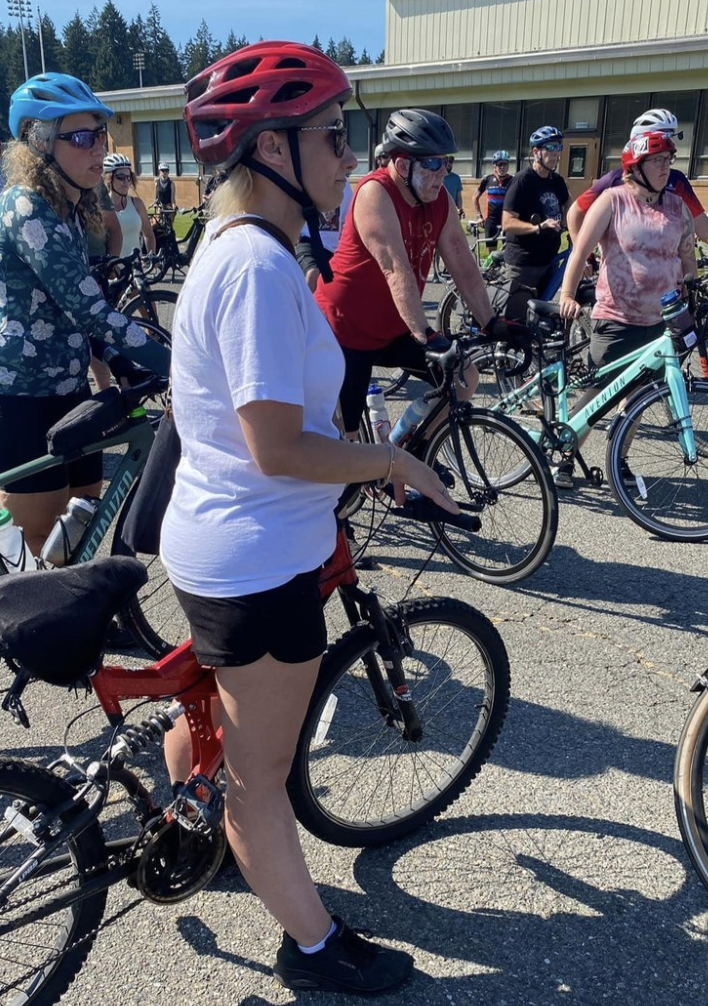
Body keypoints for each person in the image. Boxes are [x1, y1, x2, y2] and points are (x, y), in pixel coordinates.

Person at [160, 41, 457, 994]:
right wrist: (391, 458)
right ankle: (314, 946)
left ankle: (183, 819)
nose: (347, 155)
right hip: (256, 554)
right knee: (263, 776)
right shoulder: (254, 265)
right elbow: (278, 448)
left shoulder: (249, 248)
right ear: (272, 148)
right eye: (333, 136)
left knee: (213, 711)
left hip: (234, 541)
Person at [0, 72, 169, 557]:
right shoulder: (26, 207)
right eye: (82, 137)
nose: (98, 148)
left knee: (83, 516)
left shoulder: (66, 209)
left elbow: (81, 317)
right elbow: (89, 309)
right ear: (40, 142)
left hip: (70, 388)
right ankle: (40, 628)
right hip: (25, 395)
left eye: (101, 135)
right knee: (38, 535)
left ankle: (79, 618)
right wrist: (173, 362)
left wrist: (123, 361)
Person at [315, 107, 514, 437]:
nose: (442, 173)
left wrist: (490, 321)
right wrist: (428, 334)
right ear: (404, 164)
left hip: (393, 329)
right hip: (345, 330)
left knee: (465, 377)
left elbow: (463, 264)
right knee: (347, 445)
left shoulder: (439, 198)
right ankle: (364, 474)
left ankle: (416, 449)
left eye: (446, 162)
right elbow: (396, 269)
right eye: (433, 164)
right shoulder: (375, 193)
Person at [556, 130, 696, 488]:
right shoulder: (613, 201)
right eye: (658, 161)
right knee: (598, 393)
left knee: (639, 398)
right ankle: (565, 458)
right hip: (618, 316)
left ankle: (619, 461)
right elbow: (580, 248)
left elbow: (686, 257)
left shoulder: (677, 206)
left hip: (662, 322)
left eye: (669, 160)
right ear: (637, 165)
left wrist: (693, 291)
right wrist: (568, 293)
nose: (666, 167)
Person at [567, 108, 708, 244]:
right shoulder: (614, 180)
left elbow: (702, 227)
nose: (670, 144)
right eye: (664, 138)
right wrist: (584, 255)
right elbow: (575, 213)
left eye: (671, 137)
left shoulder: (677, 180)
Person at [498, 126, 570, 322]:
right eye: (550, 147)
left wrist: (569, 220)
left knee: (540, 320)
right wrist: (538, 227)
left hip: (548, 261)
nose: (556, 153)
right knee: (515, 322)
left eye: (559, 147)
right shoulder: (522, 181)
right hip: (524, 264)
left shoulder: (557, 181)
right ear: (536, 152)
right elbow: (507, 223)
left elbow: (570, 206)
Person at [295, 177, 353, 290]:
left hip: (333, 248)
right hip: (307, 240)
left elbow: (345, 222)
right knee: (312, 274)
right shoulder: (309, 177)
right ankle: (306, 306)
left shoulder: (345, 186)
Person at [103, 152, 156, 257]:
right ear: (109, 179)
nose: (126, 182)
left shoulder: (137, 204)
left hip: (136, 269)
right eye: (121, 177)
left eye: (129, 177)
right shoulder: (102, 207)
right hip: (113, 270)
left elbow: (149, 235)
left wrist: (152, 256)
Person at [474, 150, 512, 250]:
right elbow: (475, 197)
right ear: (494, 166)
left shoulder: (512, 181)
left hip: (507, 220)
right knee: (491, 252)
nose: (503, 167)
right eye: (500, 164)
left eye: (505, 164)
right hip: (491, 221)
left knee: (508, 251)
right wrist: (479, 216)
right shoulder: (487, 180)